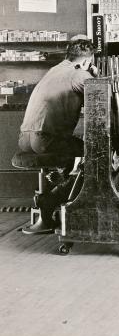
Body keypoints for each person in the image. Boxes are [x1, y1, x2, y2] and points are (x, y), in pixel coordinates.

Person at [18, 37, 99, 234]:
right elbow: (103, 96)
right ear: (87, 61)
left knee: (76, 153)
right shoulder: (79, 74)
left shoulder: (55, 69)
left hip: (25, 139)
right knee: (97, 156)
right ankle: (53, 200)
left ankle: (56, 192)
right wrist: (96, 76)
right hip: (45, 139)